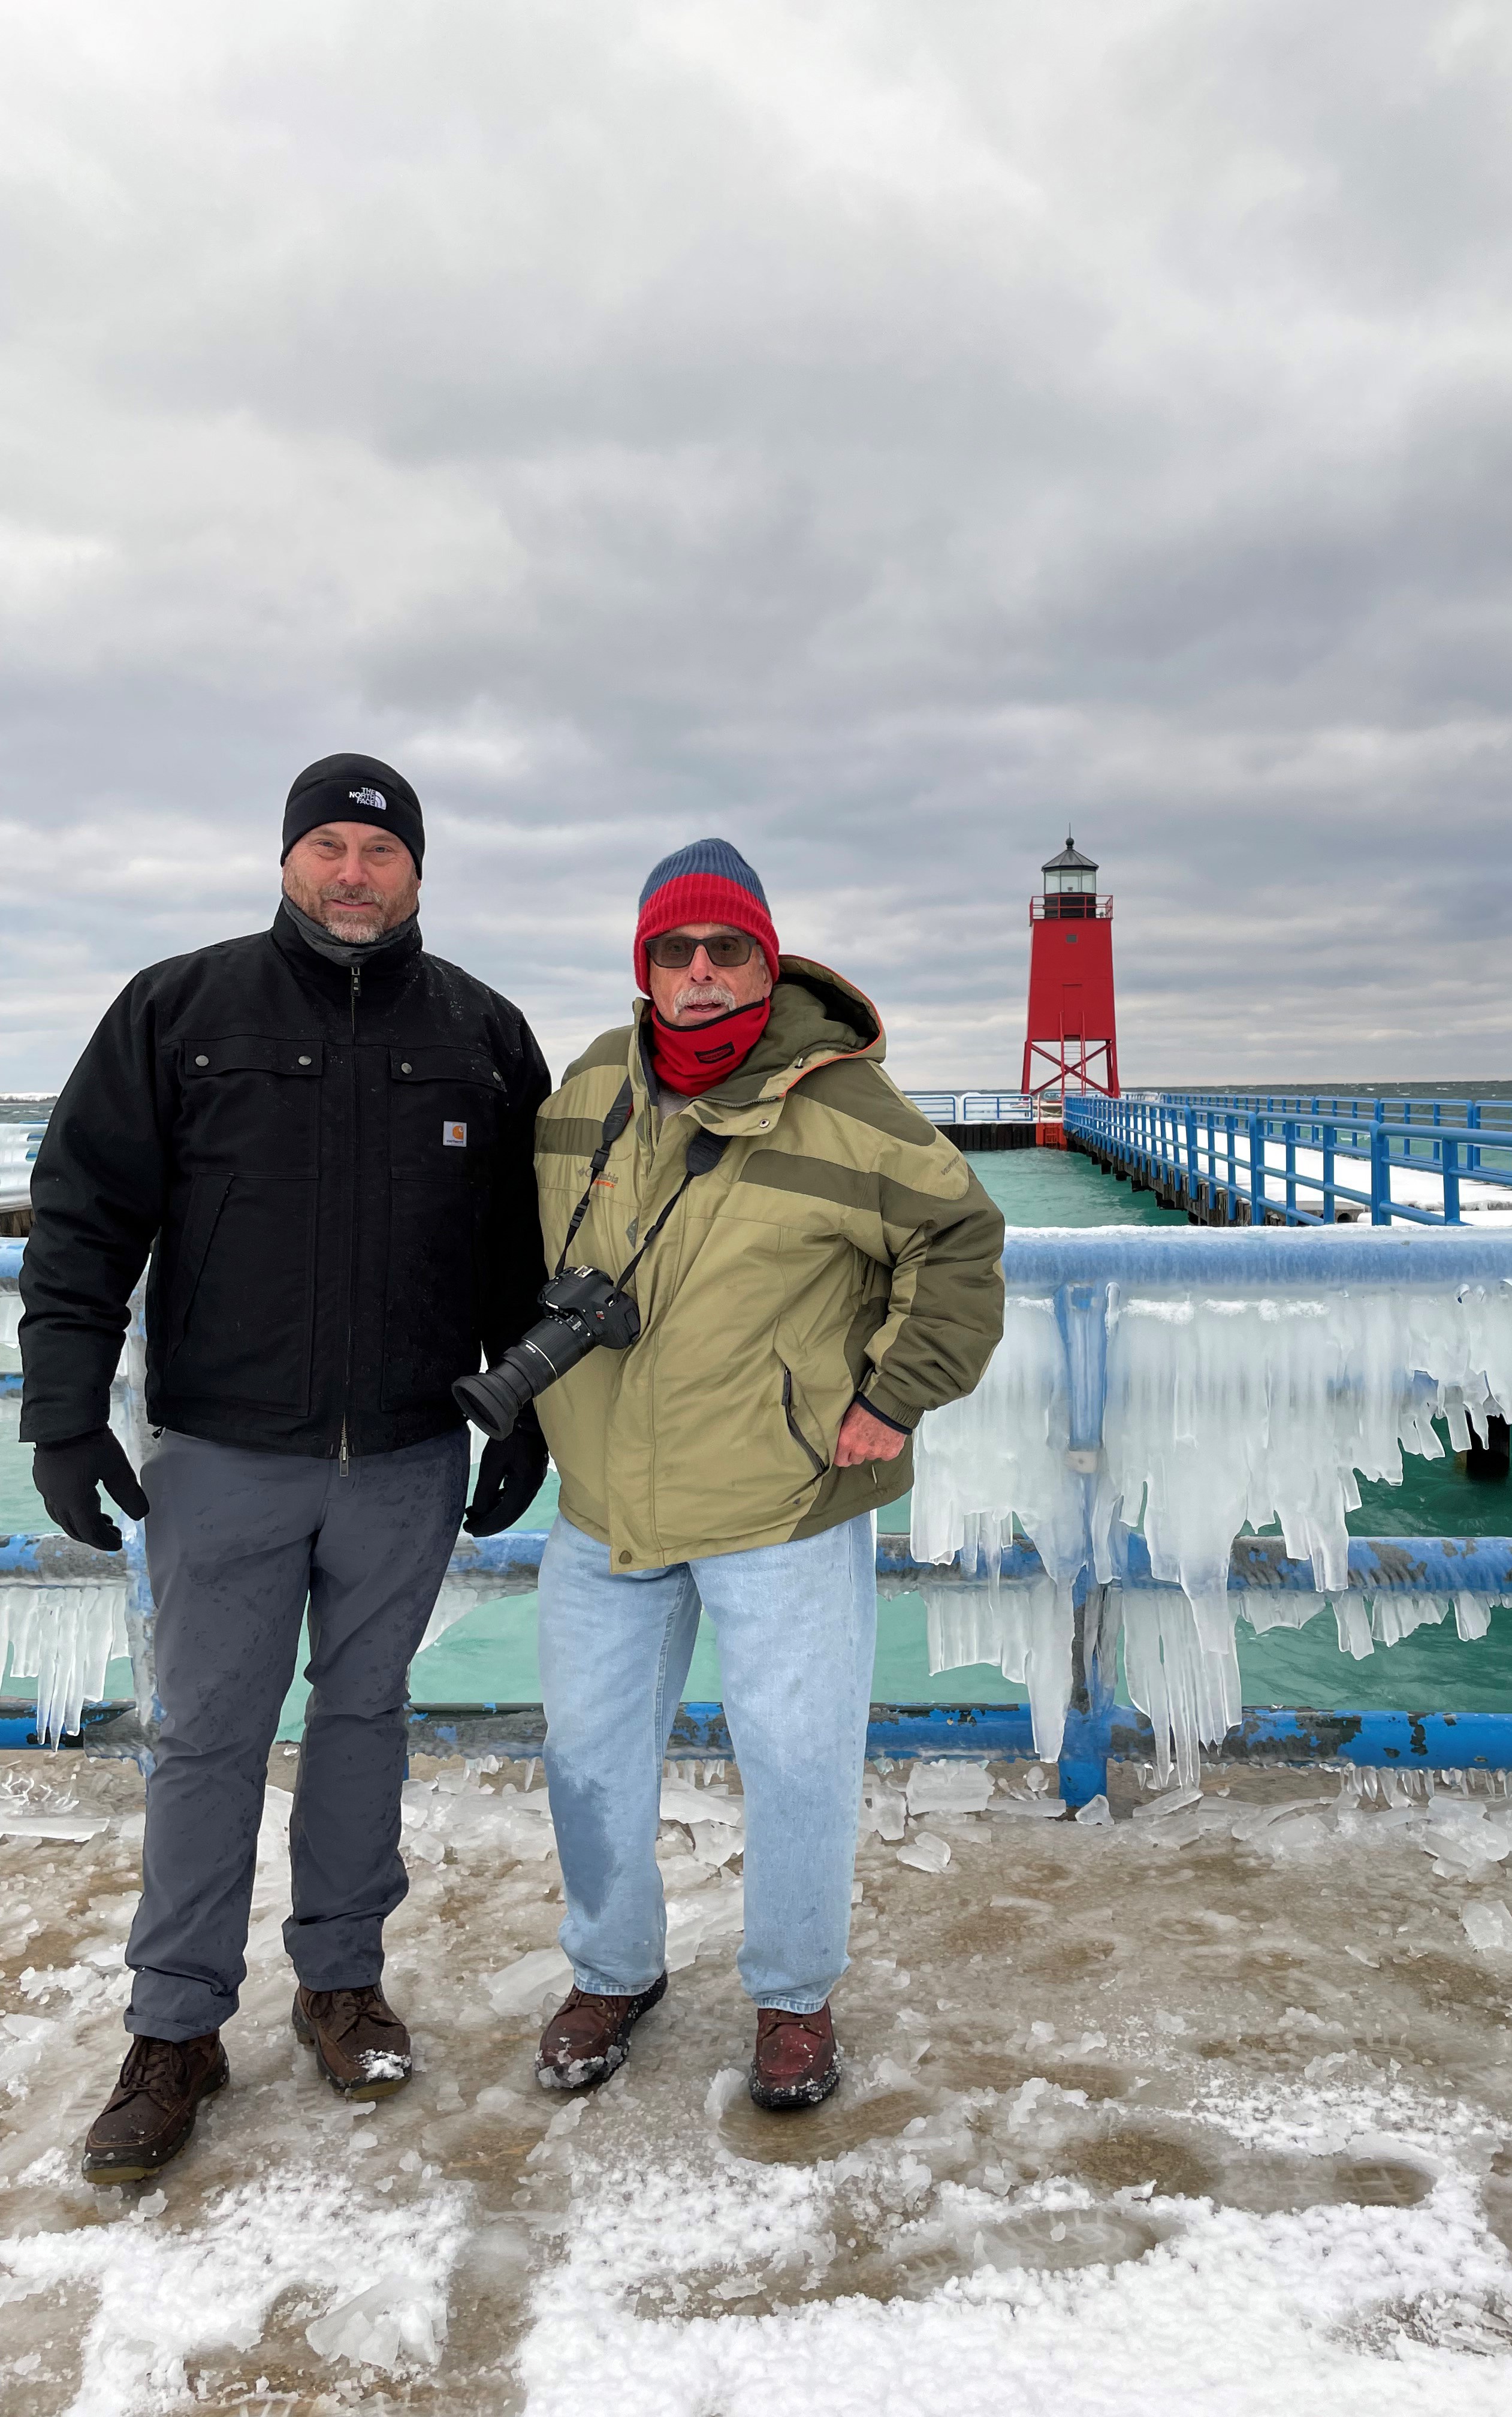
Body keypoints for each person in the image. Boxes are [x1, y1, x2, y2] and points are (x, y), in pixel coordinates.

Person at [19, 753, 551, 2183]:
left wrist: (529, 1421)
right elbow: (81, 1216)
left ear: (418, 872)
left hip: (406, 1454)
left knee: (364, 1718)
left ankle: (341, 1985)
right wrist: (64, 1419)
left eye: (379, 853)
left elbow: (528, 1253)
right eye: (327, 847)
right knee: (205, 1739)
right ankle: (176, 2026)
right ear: (285, 863)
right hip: (221, 1455)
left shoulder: (485, 1034)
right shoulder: (180, 1009)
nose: (352, 874)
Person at [530, 837, 1006, 2110]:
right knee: (586, 1755)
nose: (698, 972)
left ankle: (795, 1998)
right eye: (672, 951)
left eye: (725, 947)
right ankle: (614, 1973)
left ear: (765, 958)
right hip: (605, 1501)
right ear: (645, 966)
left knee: (795, 1758)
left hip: (777, 1502)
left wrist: (890, 1398)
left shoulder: (848, 1107)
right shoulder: (586, 1088)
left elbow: (960, 1245)